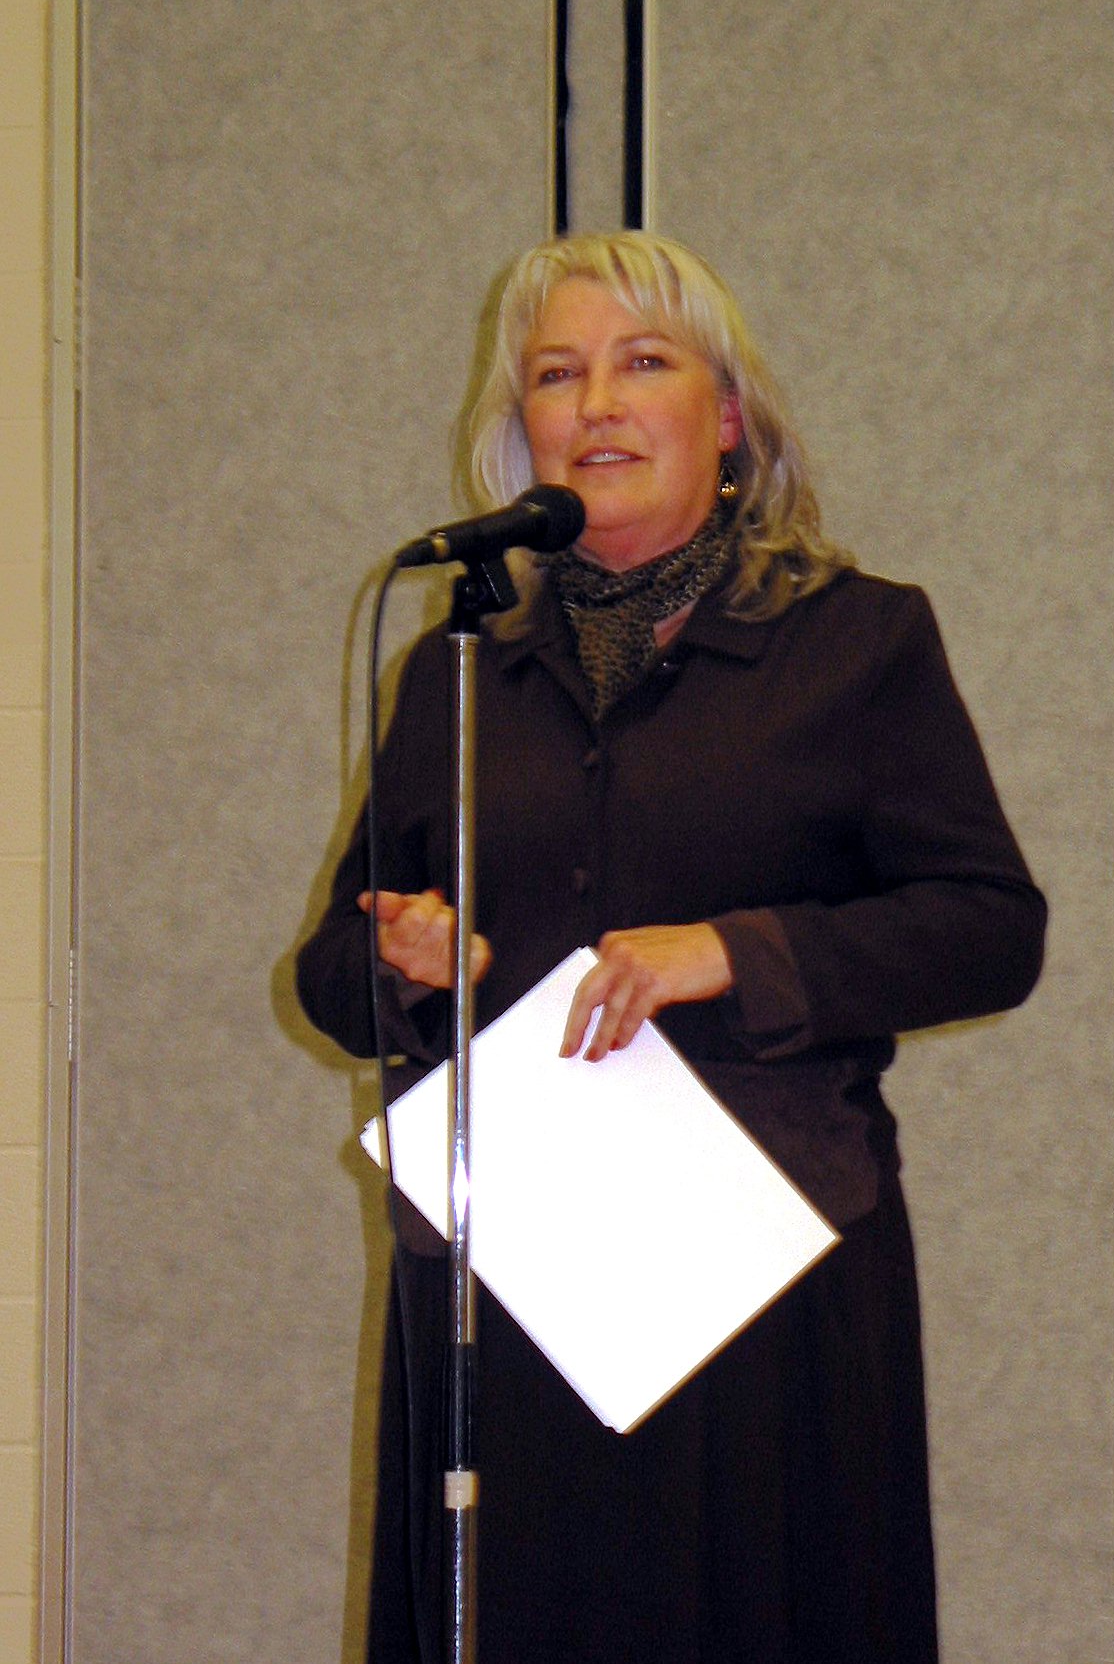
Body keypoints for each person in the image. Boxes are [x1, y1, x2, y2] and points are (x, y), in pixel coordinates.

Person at [296, 229, 1047, 1664]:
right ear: (520, 433)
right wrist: (397, 954)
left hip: (761, 1288)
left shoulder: (857, 642)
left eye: (645, 364)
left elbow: (989, 928)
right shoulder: (456, 671)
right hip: (510, 1282)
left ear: (729, 418)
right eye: (558, 375)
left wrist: (740, 952)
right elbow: (332, 974)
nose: (597, 404)